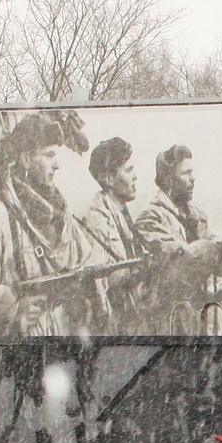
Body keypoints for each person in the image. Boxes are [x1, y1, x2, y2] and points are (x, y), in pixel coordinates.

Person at [0, 110, 101, 340]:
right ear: (25, 159)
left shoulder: (63, 216)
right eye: (48, 155)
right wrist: (13, 306)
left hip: (65, 350)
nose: (57, 165)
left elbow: (89, 262)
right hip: (16, 356)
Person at [132, 144, 222, 333]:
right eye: (186, 173)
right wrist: (218, 249)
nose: (193, 179)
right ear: (168, 179)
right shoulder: (150, 219)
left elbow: (221, 259)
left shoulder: (195, 215)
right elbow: (180, 265)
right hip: (164, 320)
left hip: (192, 318)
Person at [71, 137, 148, 329]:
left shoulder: (120, 212)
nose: (135, 176)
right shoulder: (97, 219)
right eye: (128, 170)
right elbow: (100, 279)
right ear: (109, 178)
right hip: (115, 323)